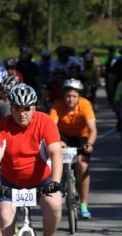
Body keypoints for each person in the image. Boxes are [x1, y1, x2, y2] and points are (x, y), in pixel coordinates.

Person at [0, 84, 63, 236]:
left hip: (41, 180)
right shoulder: (2, 127)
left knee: (54, 204)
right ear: (11, 108)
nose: (22, 113)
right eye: (17, 109)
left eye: (27, 108)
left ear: (34, 107)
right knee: (4, 216)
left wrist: (55, 182)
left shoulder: (45, 121)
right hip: (10, 182)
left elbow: (56, 153)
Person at [49, 78, 97, 219]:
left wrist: (90, 144)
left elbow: (92, 129)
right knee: (56, 156)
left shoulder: (85, 105)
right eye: (68, 96)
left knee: (82, 164)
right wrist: (57, 141)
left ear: (79, 96)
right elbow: (51, 127)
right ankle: (62, 179)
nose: (70, 99)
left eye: (74, 96)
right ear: (63, 96)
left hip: (81, 136)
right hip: (62, 136)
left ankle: (84, 204)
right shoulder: (57, 105)